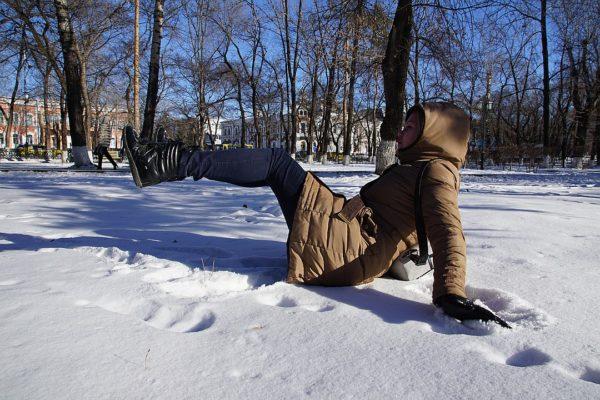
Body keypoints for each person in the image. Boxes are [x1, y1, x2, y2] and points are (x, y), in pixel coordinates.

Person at [123, 102, 510, 328]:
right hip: (347, 238)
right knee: (277, 168)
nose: (403, 130)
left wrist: (450, 294)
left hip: (346, 250)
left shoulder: (437, 172)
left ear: (435, 135)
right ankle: (168, 160)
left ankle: (165, 161)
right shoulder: (420, 166)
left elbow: (449, 231)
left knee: (276, 162)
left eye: (412, 127)